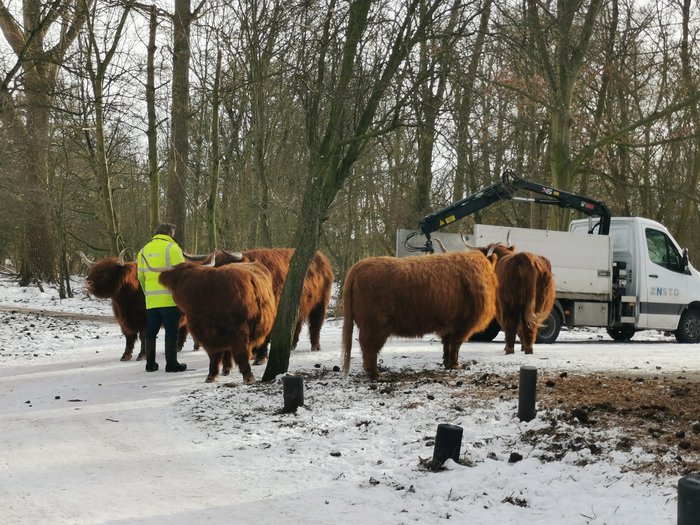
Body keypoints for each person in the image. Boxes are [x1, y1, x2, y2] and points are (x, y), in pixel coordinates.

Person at [137, 223, 187, 373]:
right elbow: (182, 274)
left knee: (151, 331)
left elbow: (140, 276)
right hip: (170, 299)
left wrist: (148, 294)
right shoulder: (173, 248)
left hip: (152, 301)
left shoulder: (143, 250)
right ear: (170, 233)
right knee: (171, 331)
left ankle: (150, 364)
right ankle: (171, 364)